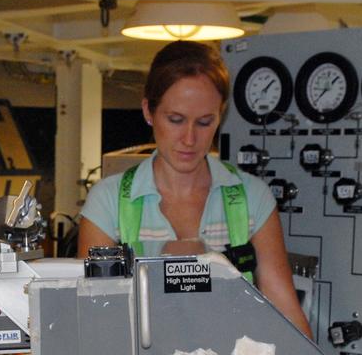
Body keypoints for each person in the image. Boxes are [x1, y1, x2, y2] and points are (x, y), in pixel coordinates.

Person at [78, 40, 312, 337]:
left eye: (204, 122)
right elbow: (95, 319)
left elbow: (287, 314)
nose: (189, 139)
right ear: (148, 111)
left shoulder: (251, 199)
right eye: (175, 120)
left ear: (220, 115)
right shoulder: (108, 203)